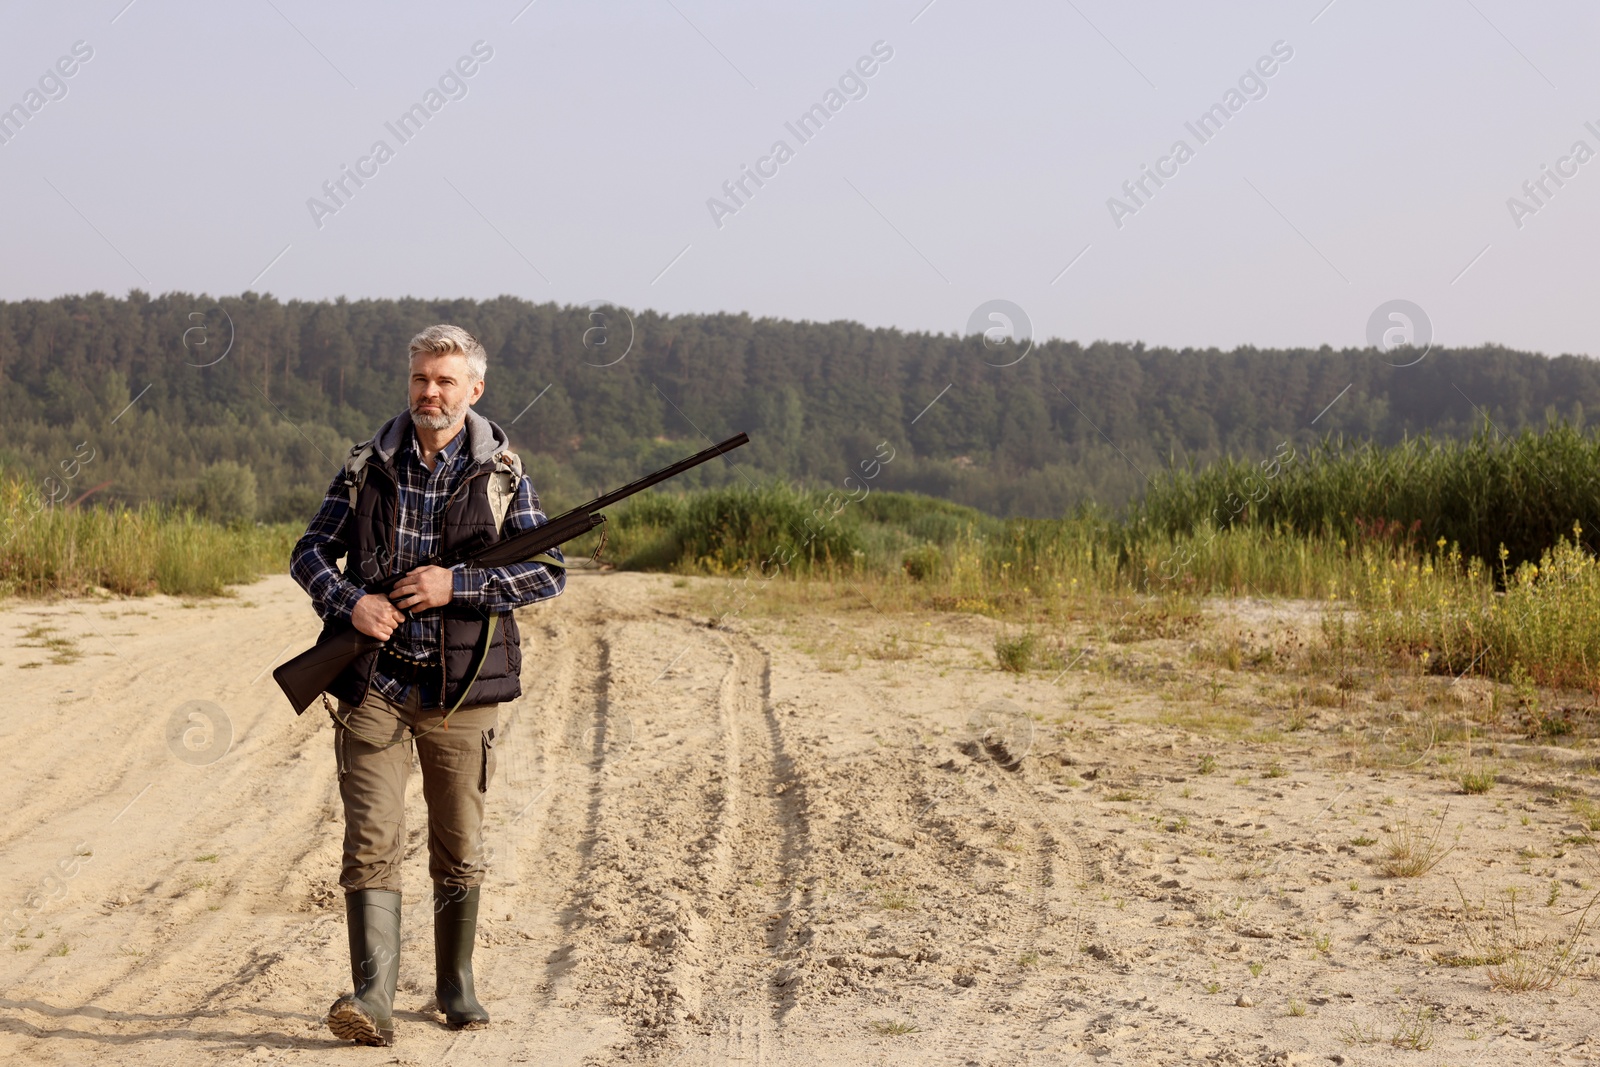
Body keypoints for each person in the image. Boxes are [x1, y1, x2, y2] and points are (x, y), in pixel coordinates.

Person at [289, 324, 565, 1047]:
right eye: (420, 379)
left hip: (462, 687)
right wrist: (350, 602)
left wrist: (456, 584)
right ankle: (373, 997)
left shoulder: (503, 474)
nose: (430, 392)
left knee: (458, 841)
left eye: (445, 381)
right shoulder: (367, 464)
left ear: (474, 390)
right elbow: (310, 550)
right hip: (375, 682)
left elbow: (548, 571)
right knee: (370, 838)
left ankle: (455, 985)